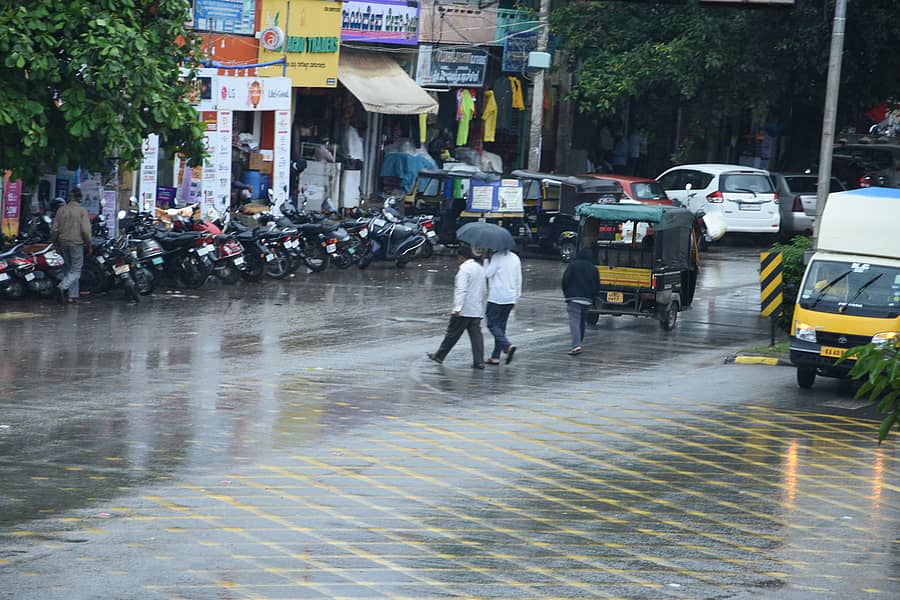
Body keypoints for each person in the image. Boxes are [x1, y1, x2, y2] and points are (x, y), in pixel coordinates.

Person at [427, 246, 486, 368]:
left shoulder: (464, 269)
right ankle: (479, 361)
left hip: (464, 309)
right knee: (476, 336)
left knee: (452, 334)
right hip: (476, 309)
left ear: (462, 257)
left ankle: (439, 356)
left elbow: (461, 290)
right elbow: (484, 290)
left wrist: (457, 308)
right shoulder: (479, 268)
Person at [50, 187, 92, 305]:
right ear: (80, 198)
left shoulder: (61, 210)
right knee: (76, 270)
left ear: (70, 197)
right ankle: (62, 286)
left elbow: (54, 229)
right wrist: (89, 244)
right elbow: (85, 231)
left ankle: (72, 296)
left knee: (69, 269)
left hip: (63, 242)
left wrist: (54, 242)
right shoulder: (82, 211)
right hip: (76, 243)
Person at [484, 249, 522, 365]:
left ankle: (507, 346)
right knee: (501, 327)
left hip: (497, 297)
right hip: (510, 298)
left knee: (491, 324)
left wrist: (485, 260)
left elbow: (487, 274)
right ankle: (495, 356)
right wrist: (516, 297)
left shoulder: (497, 257)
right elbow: (519, 279)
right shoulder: (515, 258)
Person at [561, 248, 600, 355]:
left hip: (573, 299)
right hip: (587, 300)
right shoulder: (593, 269)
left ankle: (576, 345)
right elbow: (597, 286)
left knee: (574, 322)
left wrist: (567, 295)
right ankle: (579, 342)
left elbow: (565, 280)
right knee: (582, 322)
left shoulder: (573, 265)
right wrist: (593, 298)